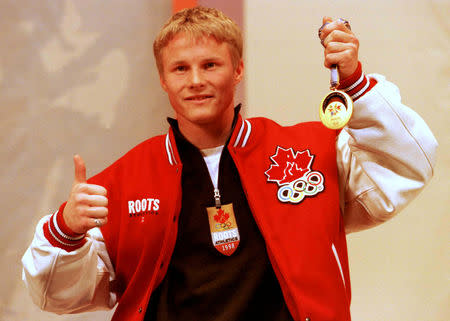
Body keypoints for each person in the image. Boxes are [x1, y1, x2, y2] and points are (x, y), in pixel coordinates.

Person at [22, 6, 437, 321]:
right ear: (163, 80)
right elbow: (55, 294)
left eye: (211, 65)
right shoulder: (125, 179)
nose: (196, 80)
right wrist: (66, 228)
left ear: (238, 70)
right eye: (180, 68)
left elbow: (408, 163)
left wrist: (354, 84)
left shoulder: (311, 151)